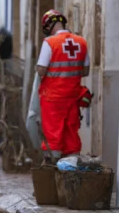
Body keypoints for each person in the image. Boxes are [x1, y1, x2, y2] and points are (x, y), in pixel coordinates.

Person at [37, 9, 90, 158]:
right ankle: (71, 170)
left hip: (52, 99)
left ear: (50, 25)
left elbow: (41, 70)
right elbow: (85, 71)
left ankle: (52, 170)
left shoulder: (49, 42)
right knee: (71, 135)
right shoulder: (81, 42)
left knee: (53, 135)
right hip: (72, 98)